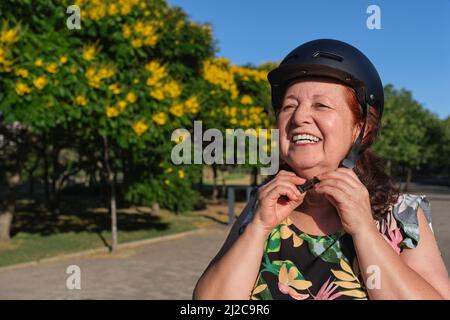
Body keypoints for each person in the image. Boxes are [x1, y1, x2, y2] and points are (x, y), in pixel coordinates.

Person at [193, 39, 450, 300]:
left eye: (321, 105)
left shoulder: (400, 214)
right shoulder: (260, 206)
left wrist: (364, 229)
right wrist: (258, 226)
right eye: (289, 106)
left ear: (360, 130)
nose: (299, 117)